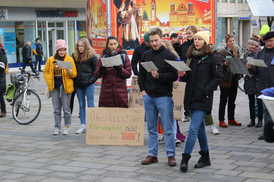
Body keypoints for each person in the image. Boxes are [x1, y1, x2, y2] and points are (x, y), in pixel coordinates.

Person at [179, 31, 223, 172]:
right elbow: (188, 79)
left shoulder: (212, 58)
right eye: (195, 39)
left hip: (203, 98)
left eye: (200, 39)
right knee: (200, 130)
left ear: (205, 42)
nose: (196, 41)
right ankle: (205, 156)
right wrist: (183, 75)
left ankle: (185, 158)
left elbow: (218, 77)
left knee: (192, 129)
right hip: (191, 97)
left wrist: (206, 90)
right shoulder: (191, 58)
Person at [138, 28, 178, 167]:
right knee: (151, 128)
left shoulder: (169, 55)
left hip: (164, 96)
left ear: (161, 39)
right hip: (148, 96)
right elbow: (141, 75)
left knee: (168, 128)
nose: (154, 43)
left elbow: (174, 76)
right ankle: (152, 154)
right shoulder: (146, 55)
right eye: (151, 41)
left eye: (156, 40)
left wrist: (159, 76)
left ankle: (171, 155)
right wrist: (142, 90)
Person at [44, 39, 77, 135]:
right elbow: (46, 71)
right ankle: (57, 127)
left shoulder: (69, 59)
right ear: (57, 50)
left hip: (66, 86)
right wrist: (49, 81)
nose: (62, 52)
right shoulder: (51, 60)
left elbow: (74, 74)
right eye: (60, 50)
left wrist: (68, 70)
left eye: (64, 50)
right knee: (56, 109)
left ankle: (67, 126)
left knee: (66, 109)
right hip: (54, 86)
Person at [95, 36, 132, 107]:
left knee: (121, 115)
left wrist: (119, 69)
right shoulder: (103, 56)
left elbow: (128, 74)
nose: (113, 46)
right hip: (106, 93)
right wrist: (102, 69)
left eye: (115, 44)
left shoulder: (123, 55)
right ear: (107, 45)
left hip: (120, 93)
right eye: (111, 44)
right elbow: (97, 74)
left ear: (118, 44)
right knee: (106, 115)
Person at [73, 38, 97, 134]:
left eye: (82, 46)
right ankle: (83, 125)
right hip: (79, 84)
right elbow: (72, 69)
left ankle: (92, 125)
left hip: (89, 84)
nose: (80, 48)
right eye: (78, 46)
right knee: (81, 105)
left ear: (86, 46)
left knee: (90, 104)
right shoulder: (75, 56)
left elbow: (96, 71)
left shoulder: (92, 57)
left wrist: (91, 81)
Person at [218, 34, 242, 128]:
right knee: (223, 100)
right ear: (226, 42)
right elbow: (218, 64)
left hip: (234, 78)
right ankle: (221, 120)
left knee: (232, 100)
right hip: (225, 79)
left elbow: (239, 63)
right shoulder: (222, 52)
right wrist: (224, 64)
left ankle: (231, 119)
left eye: (233, 41)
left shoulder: (236, 50)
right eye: (230, 41)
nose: (232, 42)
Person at [254, 31, 274, 140]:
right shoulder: (260, 53)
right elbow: (255, 71)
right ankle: (267, 132)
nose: (269, 43)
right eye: (267, 41)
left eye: (271, 41)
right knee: (267, 110)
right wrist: (250, 67)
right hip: (264, 86)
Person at [243, 35, 263, 127]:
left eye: (252, 44)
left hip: (258, 81)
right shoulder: (246, 54)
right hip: (249, 81)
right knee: (251, 101)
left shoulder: (260, 54)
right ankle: (252, 120)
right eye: (249, 44)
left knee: (259, 101)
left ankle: (260, 120)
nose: (250, 46)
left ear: (256, 46)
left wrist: (252, 67)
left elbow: (262, 69)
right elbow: (243, 65)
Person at [181, 26, 198, 122]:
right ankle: (187, 113)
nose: (188, 35)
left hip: (195, 72)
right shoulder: (183, 45)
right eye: (187, 33)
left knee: (195, 93)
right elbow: (181, 57)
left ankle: (194, 112)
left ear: (195, 33)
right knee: (186, 95)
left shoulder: (197, 44)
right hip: (185, 73)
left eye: (190, 33)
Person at [0, 43, 7, 118]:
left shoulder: (2, 55)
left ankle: (3, 111)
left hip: (1, 79)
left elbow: (2, 68)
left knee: (0, 96)